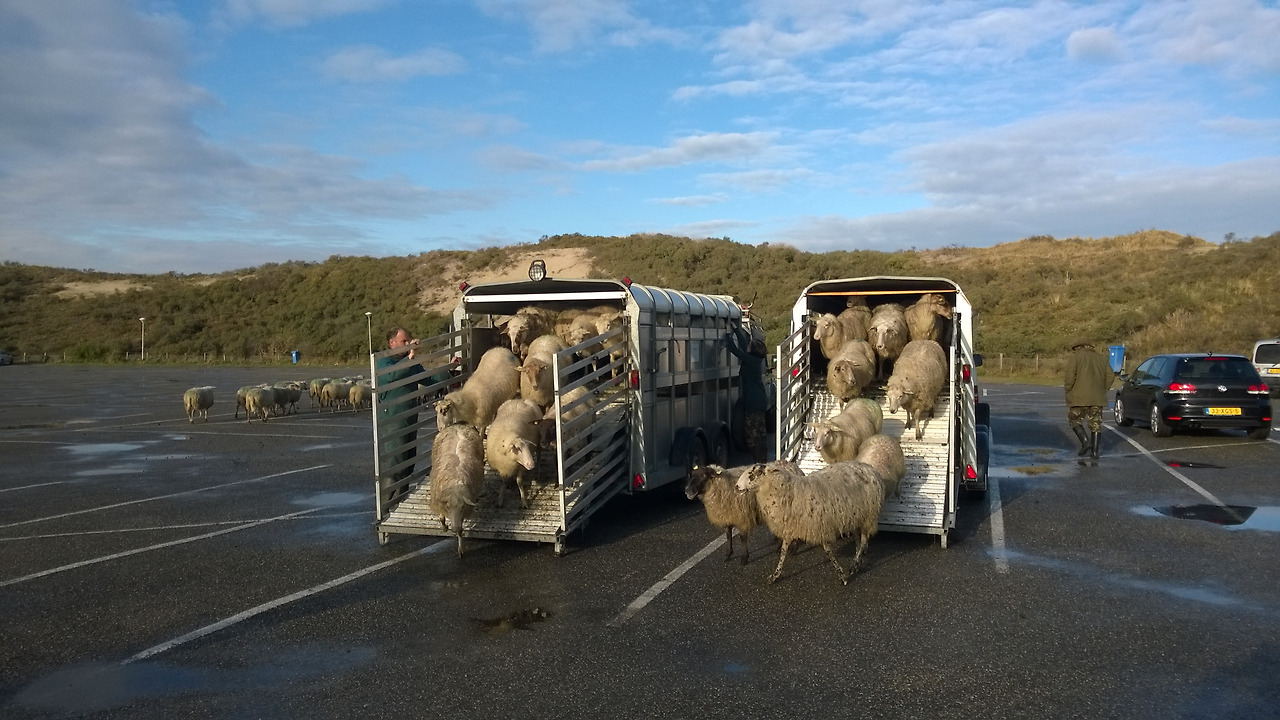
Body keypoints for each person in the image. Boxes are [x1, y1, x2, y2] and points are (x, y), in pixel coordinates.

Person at [374, 327, 450, 498]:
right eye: (403, 342)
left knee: (408, 463)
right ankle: (385, 506)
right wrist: (410, 356)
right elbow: (392, 375)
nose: (407, 344)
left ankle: (400, 500)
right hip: (394, 419)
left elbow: (429, 379)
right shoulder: (383, 362)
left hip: (410, 417)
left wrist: (450, 369)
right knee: (397, 463)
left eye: (408, 341)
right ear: (392, 343)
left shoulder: (410, 363)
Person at [727, 320, 770, 463]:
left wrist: (727, 335)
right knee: (760, 433)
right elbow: (744, 346)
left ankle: (759, 462)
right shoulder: (754, 359)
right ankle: (762, 459)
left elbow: (735, 349)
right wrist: (736, 330)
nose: (748, 347)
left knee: (752, 435)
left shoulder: (750, 360)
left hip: (752, 402)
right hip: (759, 400)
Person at [1064, 337, 1112, 460]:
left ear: (1079, 347)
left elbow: (1070, 377)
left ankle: (1085, 442)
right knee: (1096, 423)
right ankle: (1095, 452)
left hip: (1079, 397)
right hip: (1097, 397)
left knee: (1074, 419)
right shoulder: (1102, 359)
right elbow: (1110, 375)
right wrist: (1104, 388)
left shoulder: (1075, 358)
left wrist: (1068, 390)